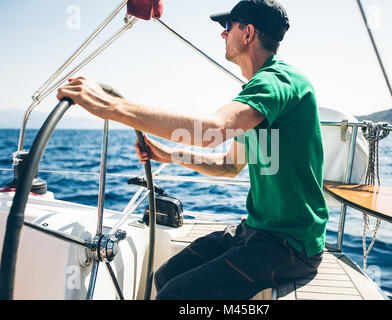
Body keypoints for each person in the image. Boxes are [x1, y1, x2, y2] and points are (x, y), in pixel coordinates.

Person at [57, 0, 329, 300]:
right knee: (165, 276)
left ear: (248, 32)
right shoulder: (257, 95)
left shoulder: (278, 82)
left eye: (228, 27)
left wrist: (110, 106)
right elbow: (229, 165)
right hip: (256, 230)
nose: (223, 35)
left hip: (291, 246)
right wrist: (168, 155)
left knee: (174, 296)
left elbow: (212, 131)